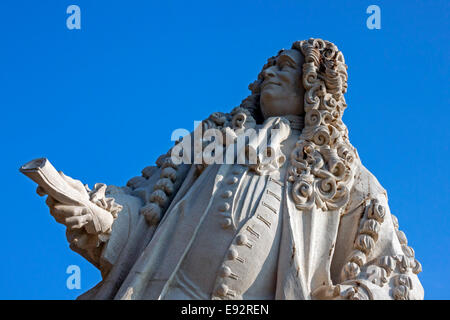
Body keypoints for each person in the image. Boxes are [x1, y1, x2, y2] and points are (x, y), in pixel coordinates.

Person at [41, 39, 424, 300]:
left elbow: (391, 272)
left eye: (285, 67)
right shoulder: (211, 137)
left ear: (314, 85)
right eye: (269, 67)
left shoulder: (344, 172)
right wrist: (96, 214)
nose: (269, 74)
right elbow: (146, 210)